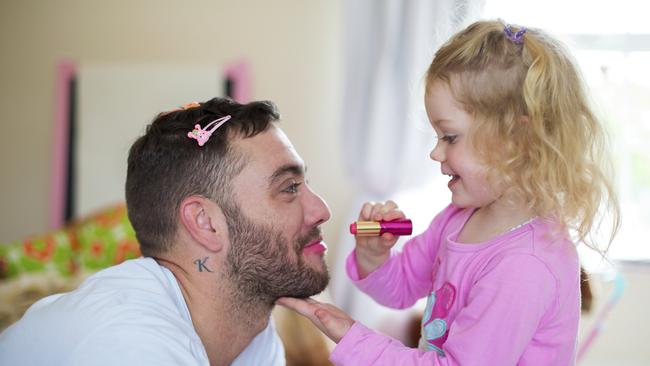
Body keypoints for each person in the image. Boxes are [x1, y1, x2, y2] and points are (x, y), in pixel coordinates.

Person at [278, 20, 621, 365]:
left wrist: (354, 338)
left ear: (517, 140)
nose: (436, 153)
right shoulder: (458, 220)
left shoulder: (525, 265)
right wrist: (373, 257)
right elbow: (401, 287)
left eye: (450, 137)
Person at [0, 97, 332, 366]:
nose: (322, 211)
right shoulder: (128, 343)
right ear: (204, 222)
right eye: (289, 188)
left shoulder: (255, 339)